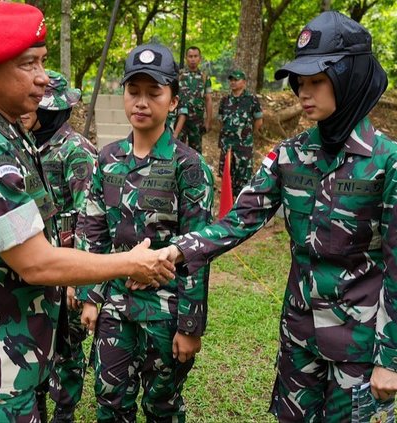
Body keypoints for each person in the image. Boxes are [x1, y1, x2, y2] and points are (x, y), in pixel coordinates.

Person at [144, 11, 395, 422]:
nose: (303, 93)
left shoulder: (388, 162)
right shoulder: (289, 155)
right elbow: (237, 220)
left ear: (350, 77)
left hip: (361, 346)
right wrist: (177, 250)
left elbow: (396, 265)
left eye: (316, 81)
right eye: (300, 82)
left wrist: (392, 357)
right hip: (300, 336)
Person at [0, 3, 173, 422]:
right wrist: (131, 262)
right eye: (28, 64)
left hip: (11, 349)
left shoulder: (4, 132)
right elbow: (37, 264)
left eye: (42, 61)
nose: (43, 77)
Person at [79, 43, 214, 422]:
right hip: (115, 307)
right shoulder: (107, 160)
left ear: (173, 101)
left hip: (165, 310)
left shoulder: (189, 167)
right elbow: (94, 231)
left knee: (162, 406)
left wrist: (190, 326)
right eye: (133, 91)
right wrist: (92, 298)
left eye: (153, 93)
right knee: (110, 400)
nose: (141, 102)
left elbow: (198, 252)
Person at [21, 70, 97, 423]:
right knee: (37, 338)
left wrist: (76, 281)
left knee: (66, 344)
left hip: (65, 264)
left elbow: (89, 217)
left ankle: (64, 410)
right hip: (36, 263)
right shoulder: (26, 147)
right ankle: (38, 401)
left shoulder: (76, 152)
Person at [218, 70, 263, 199]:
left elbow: (259, 121)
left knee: (243, 177)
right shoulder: (225, 100)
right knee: (227, 176)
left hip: (243, 146)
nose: (233, 82)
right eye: (231, 80)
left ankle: (241, 205)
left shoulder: (251, 100)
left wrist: (247, 135)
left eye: (236, 80)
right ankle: (227, 206)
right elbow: (221, 121)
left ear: (244, 82)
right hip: (227, 145)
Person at [177, 46, 212, 153]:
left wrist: (208, 121)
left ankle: (195, 170)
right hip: (179, 121)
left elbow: (208, 99)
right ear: (186, 58)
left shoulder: (205, 77)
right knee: (177, 150)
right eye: (190, 56)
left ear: (199, 58)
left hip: (197, 121)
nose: (193, 59)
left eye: (195, 56)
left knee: (196, 152)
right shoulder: (179, 75)